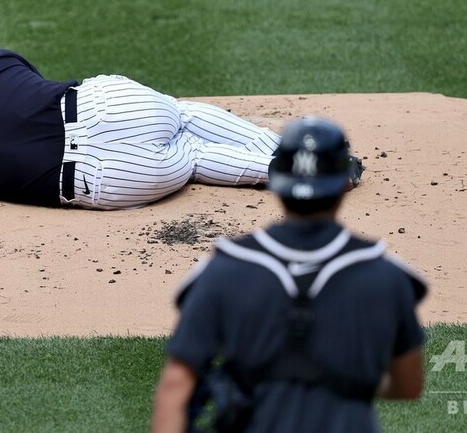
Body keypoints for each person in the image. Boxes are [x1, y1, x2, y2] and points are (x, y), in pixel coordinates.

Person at [151, 117, 426, 432]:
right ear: (344, 183)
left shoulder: (224, 270)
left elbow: (175, 387)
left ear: (277, 181)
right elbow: (409, 385)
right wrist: (351, 377)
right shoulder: (385, 275)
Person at [0, 49, 364, 211]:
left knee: (190, 156)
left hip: (104, 182)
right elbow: (34, 84)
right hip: (104, 109)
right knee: (181, 116)